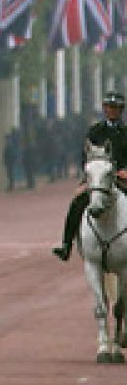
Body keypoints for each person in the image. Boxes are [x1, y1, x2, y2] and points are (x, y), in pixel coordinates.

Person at [54, 90, 127, 261]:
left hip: (122, 178)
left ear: (121, 110)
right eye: (108, 107)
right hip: (98, 178)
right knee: (77, 203)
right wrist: (86, 176)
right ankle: (66, 245)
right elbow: (85, 155)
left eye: (115, 107)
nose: (111, 111)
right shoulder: (95, 131)